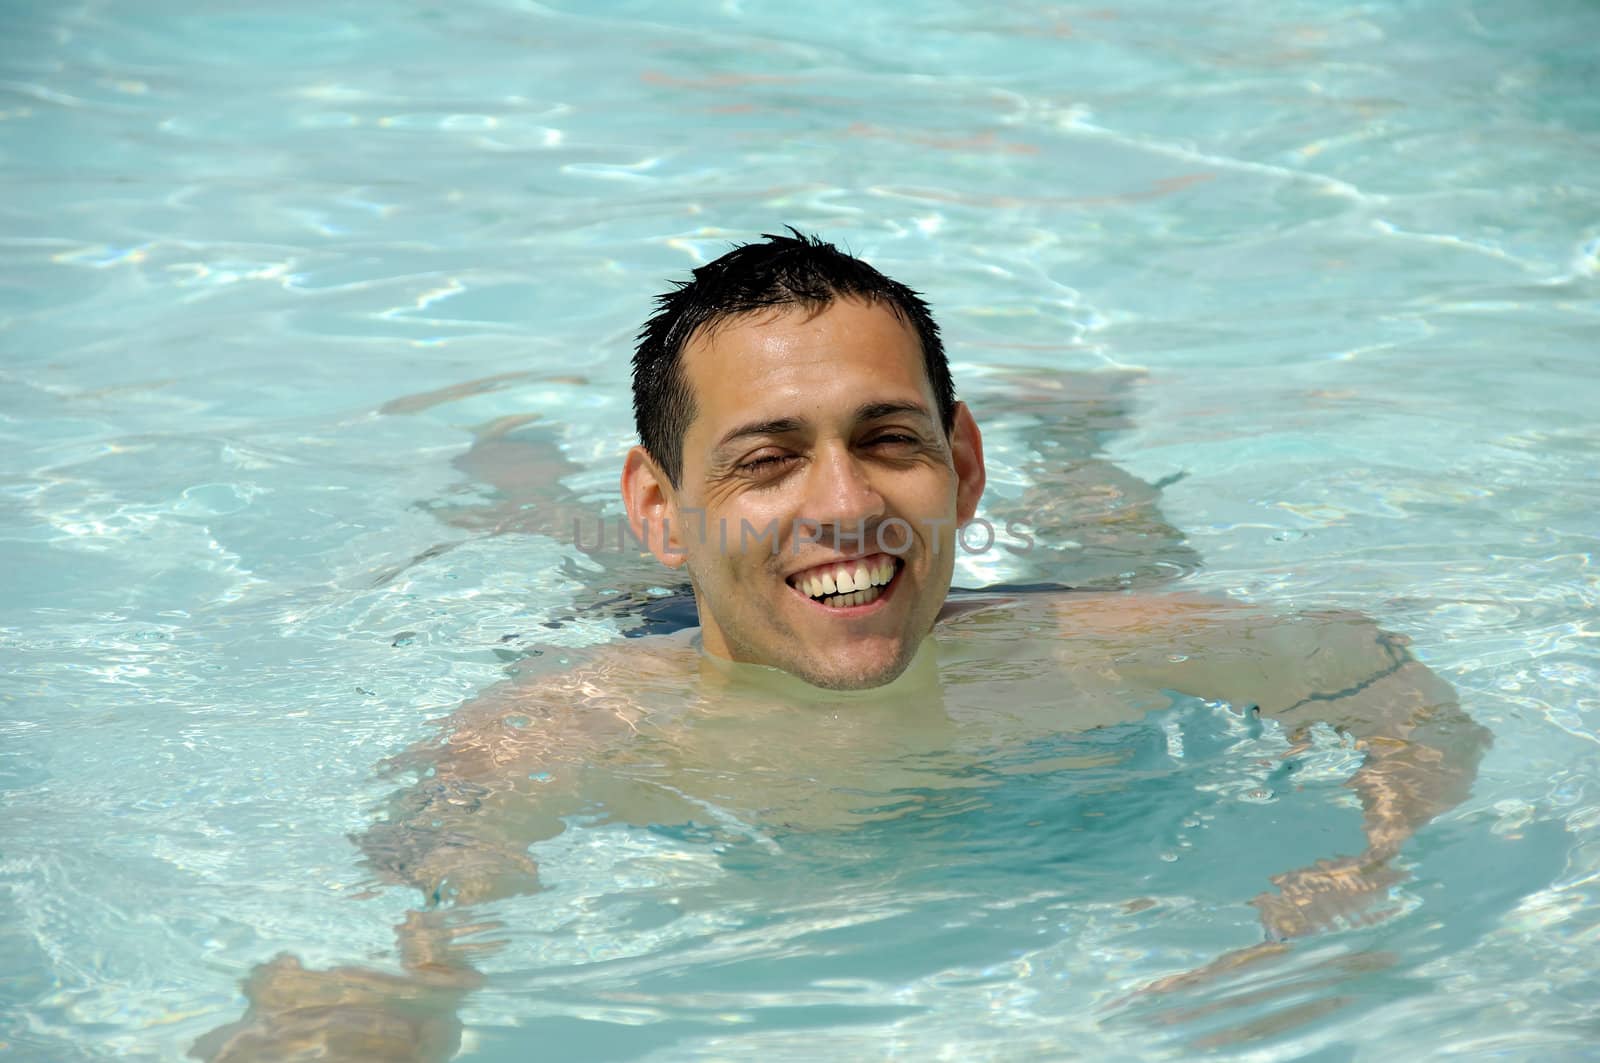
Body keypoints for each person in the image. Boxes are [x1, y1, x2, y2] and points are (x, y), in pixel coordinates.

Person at [195, 231, 1489, 1061]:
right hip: (674, 624)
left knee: (1129, 555)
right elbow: (411, 910)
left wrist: (1359, 878)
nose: (845, 502)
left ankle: (1084, 442)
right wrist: (390, 997)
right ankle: (508, 468)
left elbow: (1389, 684)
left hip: (994, 609)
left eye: (890, 440)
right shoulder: (572, 728)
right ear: (662, 504)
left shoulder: (1100, 651)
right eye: (768, 457)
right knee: (579, 571)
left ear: (960, 464)